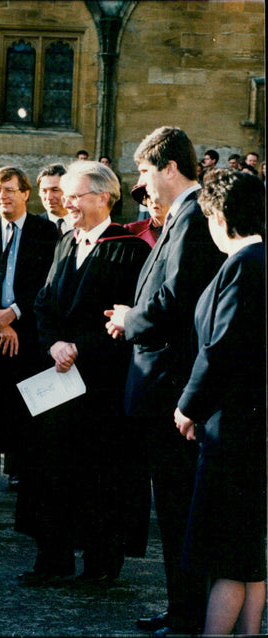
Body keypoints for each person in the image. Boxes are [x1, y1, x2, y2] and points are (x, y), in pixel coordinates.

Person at [103, 126, 225, 636]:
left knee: (178, 508)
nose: (142, 183)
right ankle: (182, 609)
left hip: (172, 388)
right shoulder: (181, 217)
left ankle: (188, 614)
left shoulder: (194, 218)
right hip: (160, 388)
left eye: (145, 171)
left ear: (170, 168)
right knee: (172, 509)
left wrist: (130, 320)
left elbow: (176, 300)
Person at [16, 161, 152, 585]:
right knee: (52, 471)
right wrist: (54, 343)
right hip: (59, 380)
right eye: (65, 195)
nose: (65, 202)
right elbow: (44, 302)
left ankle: (100, 566)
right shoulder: (65, 244)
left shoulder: (131, 250)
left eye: (74, 195)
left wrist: (82, 348)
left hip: (102, 387)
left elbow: (131, 319)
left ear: (103, 197)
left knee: (100, 477)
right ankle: (52, 559)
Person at [173, 169, 266, 636]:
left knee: (225, 553)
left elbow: (221, 350)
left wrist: (187, 406)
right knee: (248, 551)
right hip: (253, 428)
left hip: (233, 431)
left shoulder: (244, 265)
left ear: (219, 215)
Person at [0, 167, 58, 508]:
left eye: (9, 190)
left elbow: (46, 283)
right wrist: (1, 321)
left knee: (28, 414)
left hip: (29, 338)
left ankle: (27, 485)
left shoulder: (45, 232)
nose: (2, 196)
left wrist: (15, 313)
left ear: (26, 193)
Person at [36, 164, 72, 234]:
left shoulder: (84, 225)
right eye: (44, 191)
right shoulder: (32, 227)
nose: (49, 197)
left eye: (55, 190)